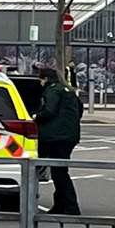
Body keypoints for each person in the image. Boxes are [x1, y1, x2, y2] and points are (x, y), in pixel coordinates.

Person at [35, 65, 82, 215]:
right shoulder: (68, 90)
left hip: (55, 137)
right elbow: (80, 109)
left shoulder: (52, 90)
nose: (40, 82)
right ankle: (61, 205)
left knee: (60, 172)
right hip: (69, 136)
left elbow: (49, 110)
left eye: (40, 79)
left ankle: (70, 206)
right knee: (59, 171)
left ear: (46, 79)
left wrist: (36, 117)